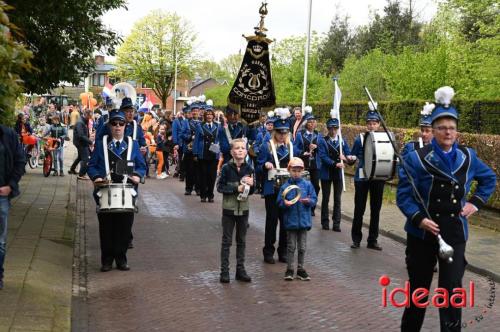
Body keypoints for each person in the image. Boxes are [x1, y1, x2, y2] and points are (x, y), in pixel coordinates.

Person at [397, 86, 496, 332]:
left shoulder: (469, 156)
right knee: (418, 291)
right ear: (433, 130)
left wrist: (475, 203)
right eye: (441, 127)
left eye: (451, 127)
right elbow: (404, 196)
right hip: (423, 233)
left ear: (456, 130)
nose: (447, 132)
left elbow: (489, 179)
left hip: (454, 232)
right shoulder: (416, 158)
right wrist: (419, 219)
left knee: (451, 292)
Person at [87, 110, 146, 272]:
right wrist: (96, 177)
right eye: (114, 124)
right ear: (109, 126)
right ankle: (106, 260)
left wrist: (137, 175)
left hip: (127, 192)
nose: (118, 127)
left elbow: (141, 166)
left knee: (124, 228)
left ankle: (121, 258)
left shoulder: (133, 144)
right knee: (107, 228)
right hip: (106, 191)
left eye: (121, 124)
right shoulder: (101, 144)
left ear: (126, 126)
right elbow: (91, 166)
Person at [257, 108, 301, 264]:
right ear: (275, 132)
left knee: (286, 222)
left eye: (285, 133)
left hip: (288, 189)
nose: (283, 136)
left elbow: (297, 163)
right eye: (280, 133)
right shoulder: (266, 146)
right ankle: (268, 251)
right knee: (271, 221)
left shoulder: (292, 147)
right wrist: (265, 165)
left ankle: (283, 251)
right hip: (272, 189)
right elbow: (258, 165)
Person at [217, 138, 255, 283]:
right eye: (237, 148)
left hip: (243, 210)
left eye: (242, 148)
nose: (240, 150)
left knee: (242, 241)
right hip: (229, 210)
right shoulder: (226, 168)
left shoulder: (249, 169)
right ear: (232, 152)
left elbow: (253, 191)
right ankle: (224, 271)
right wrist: (236, 188)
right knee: (226, 241)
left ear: (246, 151)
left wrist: (252, 185)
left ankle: (240, 270)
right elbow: (220, 187)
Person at [349, 104, 385, 250]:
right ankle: (356, 239)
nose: (371, 126)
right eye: (369, 123)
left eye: (374, 123)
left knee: (375, 209)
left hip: (378, 176)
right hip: (362, 177)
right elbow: (353, 156)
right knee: (359, 209)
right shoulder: (360, 139)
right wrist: (350, 159)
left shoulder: (384, 138)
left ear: (378, 124)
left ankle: (372, 240)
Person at [277, 157, 317, 281]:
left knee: (302, 247)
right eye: (294, 170)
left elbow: (314, 199)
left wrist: (308, 201)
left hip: (304, 221)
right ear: (289, 170)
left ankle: (300, 269)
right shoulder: (284, 186)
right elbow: (279, 201)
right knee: (290, 246)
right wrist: (285, 204)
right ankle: (289, 269)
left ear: (302, 171)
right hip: (291, 221)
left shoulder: (307, 184)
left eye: (299, 171)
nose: (296, 173)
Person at [0, 119, 26, 289]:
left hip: (1, 195)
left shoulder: (7, 135)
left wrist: (10, 186)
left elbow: (20, 160)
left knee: (0, 241)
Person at [318, 116, 355, 231]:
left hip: (338, 174)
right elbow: (323, 157)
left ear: (338, 128)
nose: (333, 131)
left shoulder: (342, 140)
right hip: (327, 173)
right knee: (326, 198)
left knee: (337, 199)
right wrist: (335, 163)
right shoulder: (322, 141)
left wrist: (349, 158)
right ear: (328, 129)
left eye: (335, 128)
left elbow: (349, 154)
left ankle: (336, 223)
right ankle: (325, 221)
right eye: (331, 128)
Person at [295, 109, 321, 216]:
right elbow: (295, 148)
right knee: (303, 185)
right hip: (304, 164)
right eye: (310, 122)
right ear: (306, 123)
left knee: (316, 186)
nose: (312, 124)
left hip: (315, 165)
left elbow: (323, 149)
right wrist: (302, 152)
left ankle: (312, 206)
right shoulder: (300, 134)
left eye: (314, 122)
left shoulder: (318, 135)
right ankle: (301, 205)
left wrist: (317, 147)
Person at [193, 105, 220, 203]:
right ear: (205, 116)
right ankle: (203, 195)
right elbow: (196, 140)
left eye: (210, 114)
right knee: (203, 175)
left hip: (214, 153)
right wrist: (195, 153)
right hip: (203, 153)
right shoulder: (200, 125)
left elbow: (220, 139)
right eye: (207, 114)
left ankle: (210, 195)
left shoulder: (218, 126)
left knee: (212, 176)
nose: (209, 116)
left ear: (213, 116)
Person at [182, 103, 202, 196]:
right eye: (193, 111)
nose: (195, 113)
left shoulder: (202, 122)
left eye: (196, 111)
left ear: (199, 112)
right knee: (189, 170)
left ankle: (198, 188)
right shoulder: (186, 122)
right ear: (191, 112)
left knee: (198, 170)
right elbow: (182, 134)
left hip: (199, 149)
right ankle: (188, 188)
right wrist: (190, 137)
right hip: (189, 149)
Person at [70, 109, 93, 179]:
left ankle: (72, 169)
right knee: (85, 158)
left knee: (80, 157)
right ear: (85, 114)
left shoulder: (85, 120)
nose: (90, 118)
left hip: (81, 142)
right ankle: (81, 174)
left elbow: (85, 132)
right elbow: (81, 135)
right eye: (89, 116)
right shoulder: (80, 122)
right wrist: (90, 141)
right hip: (80, 143)